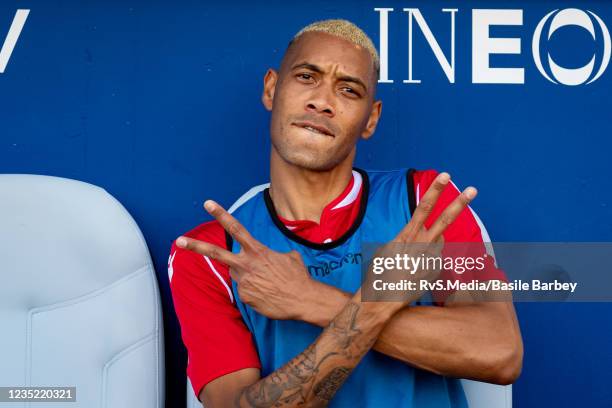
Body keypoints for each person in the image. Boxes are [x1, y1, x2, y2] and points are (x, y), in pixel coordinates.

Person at [169, 19, 523, 407]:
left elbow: (499, 352)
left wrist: (311, 299)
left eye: (348, 90)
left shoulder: (423, 202)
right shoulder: (209, 253)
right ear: (272, 87)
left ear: (370, 118)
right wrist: (380, 299)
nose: (322, 101)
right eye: (307, 76)